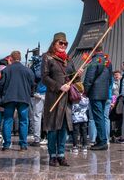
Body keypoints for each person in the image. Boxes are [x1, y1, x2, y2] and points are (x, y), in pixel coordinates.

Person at [42, 32, 79, 167]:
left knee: (63, 127)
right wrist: (59, 87)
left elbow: (74, 78)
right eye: (60, 43)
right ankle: (52, 155)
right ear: (54, 43)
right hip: (53, 98)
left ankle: (61, 155)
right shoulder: (48, 57)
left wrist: (78, 74)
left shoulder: (68, 60)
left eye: (65, 43)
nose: (63, 45)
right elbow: (44, 77)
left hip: (66, 100)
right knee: (53, 127)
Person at [0, 50, 35, 151]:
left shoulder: (6, 70)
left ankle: (6, 144)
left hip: (9, 97)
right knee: (24, 121)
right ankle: (23, 144)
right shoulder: (27, 70)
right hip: (23, 98)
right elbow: (32, 83)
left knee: (8, 120)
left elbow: (1, 85)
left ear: (11, 58)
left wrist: (2, 95)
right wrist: (30, 94)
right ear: (20, 58)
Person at [83, 45, 113, 150]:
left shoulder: (95, 60)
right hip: (104, 93)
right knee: (102, 117)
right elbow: (110, 78)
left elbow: (89, 77)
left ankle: (102, 141)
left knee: (98, 117)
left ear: (94, 50)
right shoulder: (107, 61)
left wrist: (85, 90)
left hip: (95, 93)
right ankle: (102, 139)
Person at [29, 51, 47, 147]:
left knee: (37, 116)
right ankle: (47, 137)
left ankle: (37, 138)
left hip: (38, 93)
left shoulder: (35, 65)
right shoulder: (50, 64)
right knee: (48, 116)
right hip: (49, 93)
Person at [70, 82, 89, 153]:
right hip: (84, 118)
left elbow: (73, 109)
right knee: (84, 132)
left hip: (76, 118)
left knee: (75, 132)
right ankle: (84, 147)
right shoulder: (86, 98)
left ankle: (75, 147)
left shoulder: (75, 98)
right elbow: (87, 108)